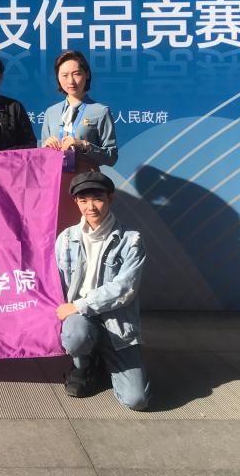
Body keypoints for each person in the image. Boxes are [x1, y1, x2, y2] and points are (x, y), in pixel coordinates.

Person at [56, 171, 150, 410]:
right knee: (75, 334)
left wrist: (79, 305)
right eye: (83, 200)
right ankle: (85, 364)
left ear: (110, 198)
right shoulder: (66, 238)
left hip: (116, 324)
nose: (91, 207)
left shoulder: (131, 240)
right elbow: (54, 280)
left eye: (97, 199)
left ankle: (104, 358)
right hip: (80, 319)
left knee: (137, 400)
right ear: (76, 202)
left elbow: (125, 288)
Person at [41, 50, 118, 230]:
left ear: (87, 74)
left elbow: (111, 157)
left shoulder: (100, 111)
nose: (71, 81)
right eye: (64, 75)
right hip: (55, 185)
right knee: (56, 232)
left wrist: (84, 145)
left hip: (86, 183)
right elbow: (41, 157)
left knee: (86, 232)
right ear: (58, 78)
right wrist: (45, 147)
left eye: (76, 74)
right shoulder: (51, 112)